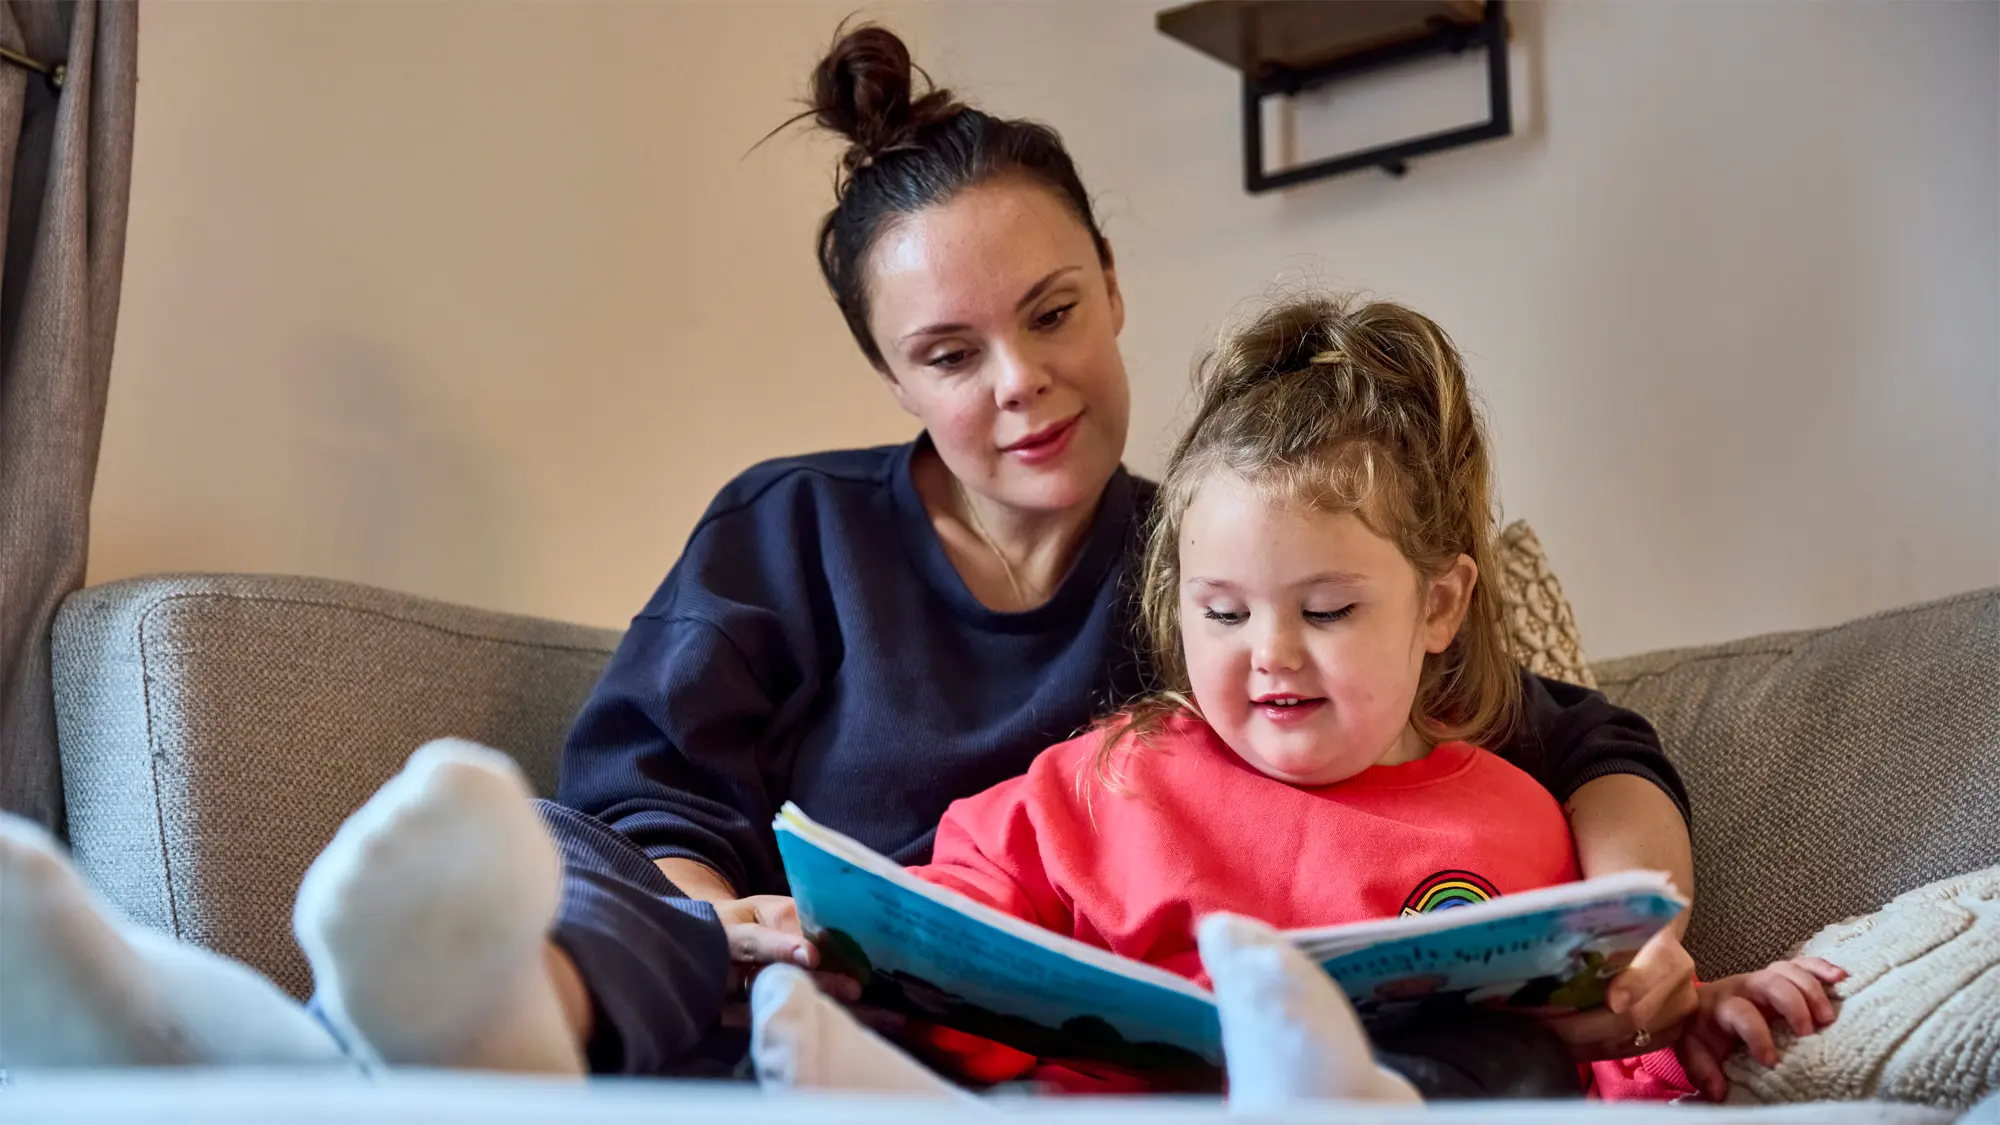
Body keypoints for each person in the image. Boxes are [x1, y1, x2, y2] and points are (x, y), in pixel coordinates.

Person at [0, 24, 1697, 1082]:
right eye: (950, 355)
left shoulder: (1229, 571)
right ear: (891, 376)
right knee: (564, 852)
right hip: (757, 964)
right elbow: (652, 796)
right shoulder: (789, 529)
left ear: (1114, 285)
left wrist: (1632, 931)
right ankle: (364, 1025)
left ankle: (387, 1039)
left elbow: (1557, 741)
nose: (1020, 383)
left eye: (1051, 315)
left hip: (1025, 1028)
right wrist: (716, 916)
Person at [740, 293, 1845, 1105]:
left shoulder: (1510, 821)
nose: (1269, 656)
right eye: (1222, 615)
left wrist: (1693, 1021)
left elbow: (1606, 1044)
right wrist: (853, 945)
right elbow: (955, 907)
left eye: (1323, 613)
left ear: (1438, 607)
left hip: (1410, 1091)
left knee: (1510, 1065)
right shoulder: (1112, 773)